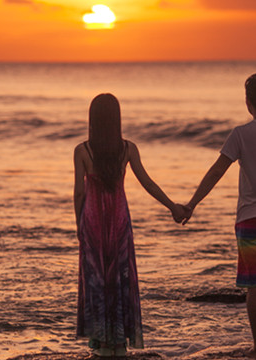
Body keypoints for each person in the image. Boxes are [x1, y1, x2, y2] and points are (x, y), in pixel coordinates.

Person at [181, 74, 256, 358]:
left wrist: (192, 203)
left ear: (248, 102)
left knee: (255, 287)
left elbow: (216, 171)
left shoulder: (240, 134)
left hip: (250, 218)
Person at [74, 93, 186, 357]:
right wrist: (173, 207)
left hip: (93, 222)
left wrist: (79, 224)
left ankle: (102, 343)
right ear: (117, 119)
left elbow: (79, 193)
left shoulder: (82, 150)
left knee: (97, 279)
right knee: (121, 277)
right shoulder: (127, 149)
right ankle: (119, 344)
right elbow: (147, 183)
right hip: (119, 220)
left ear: (92, 119)